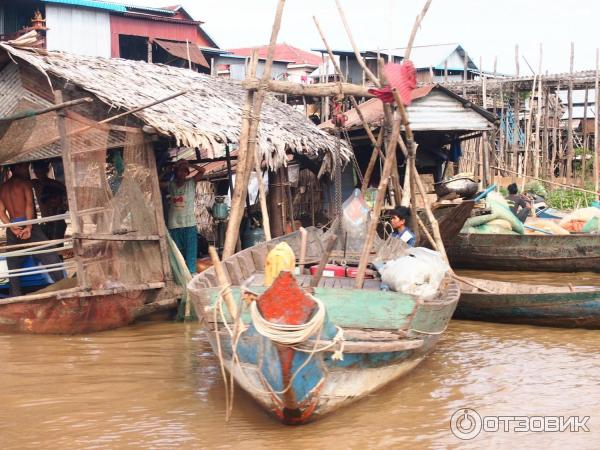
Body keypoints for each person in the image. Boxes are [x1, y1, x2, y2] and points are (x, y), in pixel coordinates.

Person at [0, 163, 65, 296]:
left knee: (13, 263)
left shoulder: (3, 188)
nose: (27, 170)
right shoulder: (25, 183)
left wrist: (11, 226)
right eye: (24, 167)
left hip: (12, 226)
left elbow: (1, 211)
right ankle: (64, 287)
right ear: (17, 168)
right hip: (28, 222)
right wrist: (29, 226)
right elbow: (29, 204)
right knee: (50, 256)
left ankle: (15, 296)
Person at [161, 160, 205, 274]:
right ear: (175, 173)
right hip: (174, 224)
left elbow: (202, 170)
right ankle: (179, 274)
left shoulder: (191, 182)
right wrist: (165, 172)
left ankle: (191, 274)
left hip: (189, 223)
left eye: (183, 171)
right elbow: (156, 182)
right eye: (178, 171)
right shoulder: (171, 185)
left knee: (191, 250)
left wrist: (188, 164)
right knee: (176, 252)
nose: (180, 173)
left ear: (187, 172)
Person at [31, 160, 67, 241]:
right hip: (45, 222)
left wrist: (60, 207)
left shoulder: (55, 184)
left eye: (41, 171)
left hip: (57, 221)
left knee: (56, 246)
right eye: (37, 171)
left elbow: (67, 197)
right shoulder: (35, 184)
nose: (39, 173)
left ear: (46, 170)